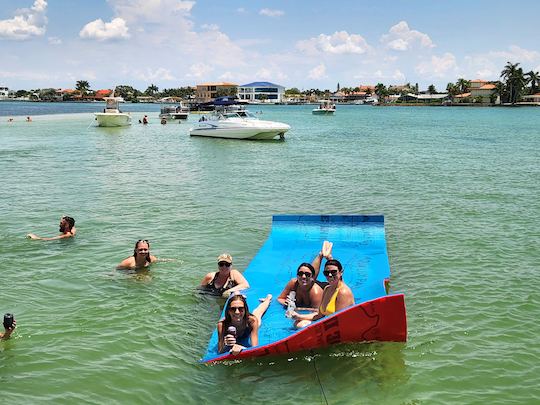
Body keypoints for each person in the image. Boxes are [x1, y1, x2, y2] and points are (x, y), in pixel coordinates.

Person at [290, 245, 355, 328]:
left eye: (334, 272)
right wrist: (298, 316)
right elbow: (319, 315)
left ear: (341, 272)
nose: (330, 275)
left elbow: (339, 321)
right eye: (327, 273)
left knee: (301, 325)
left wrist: (329, 258)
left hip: (339, 327)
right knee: (298, 323)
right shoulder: (327, 289)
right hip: (329, 323)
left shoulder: (343, 292)